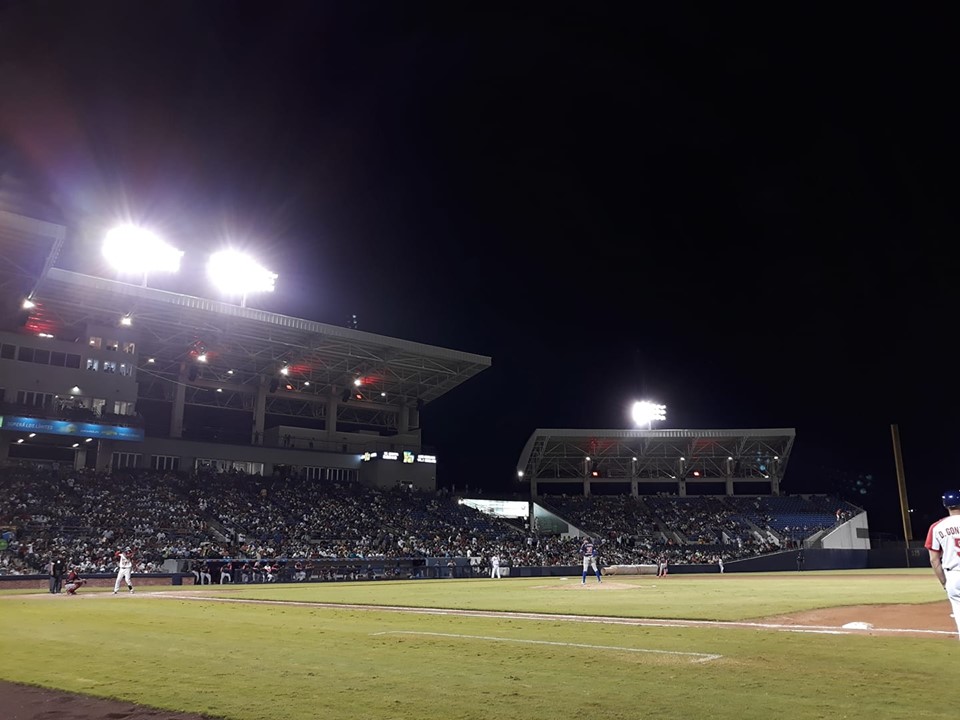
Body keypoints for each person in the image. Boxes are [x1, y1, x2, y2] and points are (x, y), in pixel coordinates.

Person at [925, 489, 960, 641]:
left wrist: (945, 583)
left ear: (945, 505)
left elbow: (934, 560)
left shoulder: (937, 527)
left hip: (953, 575)